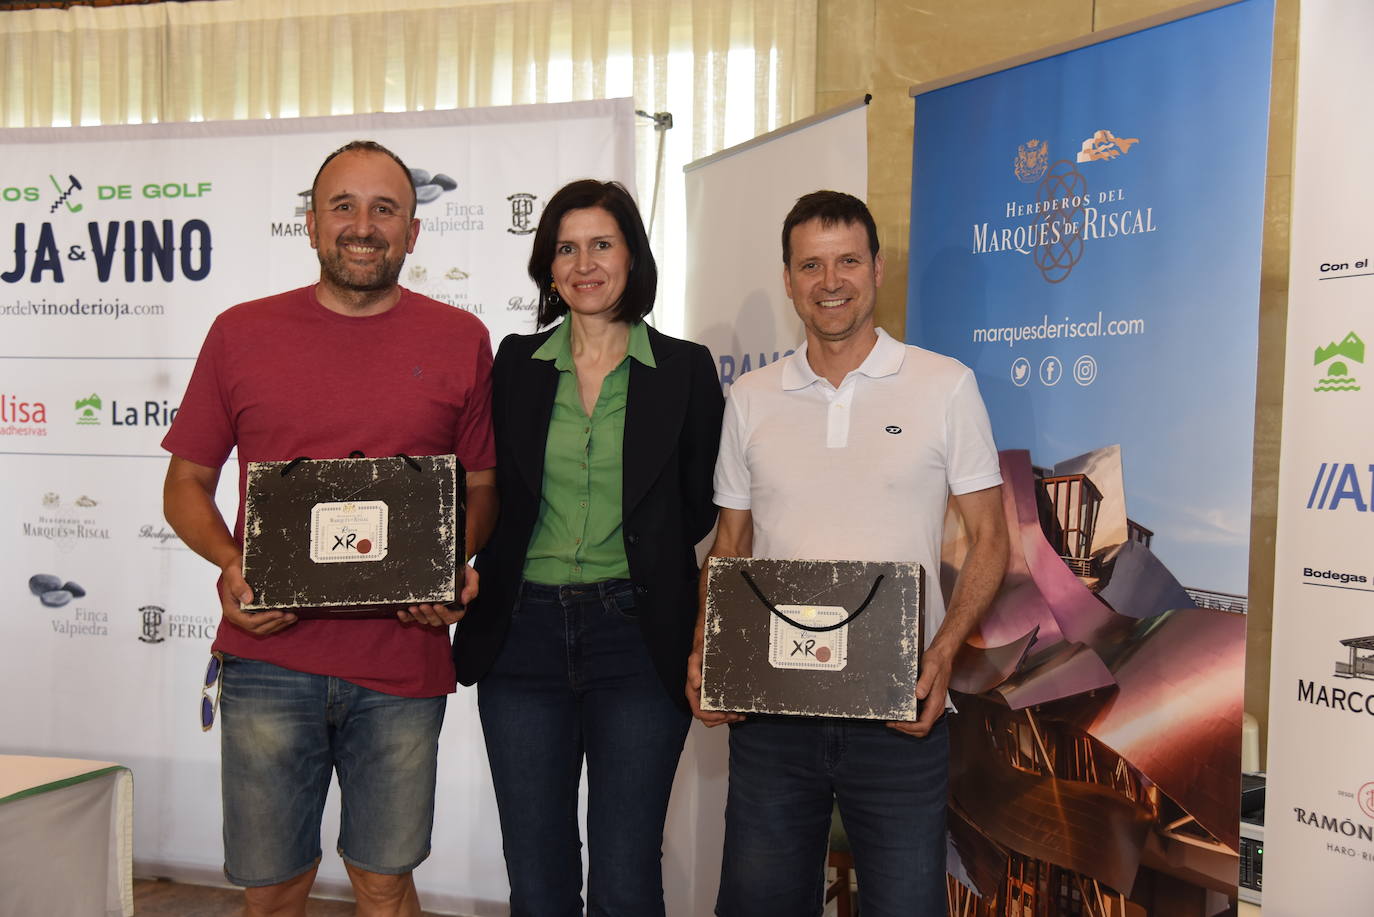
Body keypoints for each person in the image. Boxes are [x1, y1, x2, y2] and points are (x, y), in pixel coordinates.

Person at [161, 140, 498, 917]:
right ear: (311, 223)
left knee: (385, 884)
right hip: (267, 657)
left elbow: (480, 486)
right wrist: (229, 560)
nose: (362, 225)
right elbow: (185, 483)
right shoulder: (240, 332)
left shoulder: (460, 339)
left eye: (386, 209)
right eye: (343, 206)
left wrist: (452, 564)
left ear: (414, 232)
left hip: (403, 658)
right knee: (273, 890)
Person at [685, 190, 1009, 916]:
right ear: (789, 279)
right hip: (771, 718)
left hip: (898, 714)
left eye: (847, 261)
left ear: (878, 269)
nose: (830, 281)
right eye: (811, 265)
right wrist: (706, 646)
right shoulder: (750, 397)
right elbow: (730, 543)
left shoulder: (945, 385)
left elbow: (991, 537)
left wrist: (946, 649)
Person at [454, 179, 723, 916]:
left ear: (632, 256)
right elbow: (485, 488)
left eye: (602, 243)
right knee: (536, 875)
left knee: (626, 873)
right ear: (548, 267)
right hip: (521, 636)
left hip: (638, 638)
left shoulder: (687, 370)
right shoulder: (512, 365)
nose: (585, 263)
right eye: (566, 248)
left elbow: (701, 503)